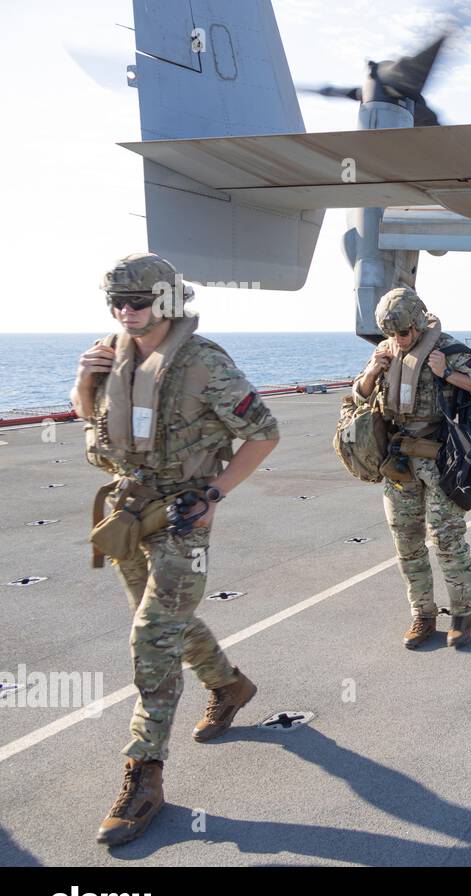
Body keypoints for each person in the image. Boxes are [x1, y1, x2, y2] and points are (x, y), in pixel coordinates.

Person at [72, 253, 280, 847]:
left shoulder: (205, 364)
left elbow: (263, 431)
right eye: (116, 302)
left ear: (166, 301)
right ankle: (229, 685)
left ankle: (144, 776)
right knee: (167, 621)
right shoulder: (109, 352)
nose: (125, 312)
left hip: (183, 517)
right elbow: (94, 423)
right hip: (128, 512)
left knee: (151, 635)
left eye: (137, 302)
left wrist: (215, 493)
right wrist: (85, 383)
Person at [353, 287, 471, 651]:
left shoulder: (446, 349)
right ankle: (423, 614)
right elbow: (359, 395)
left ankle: (462, 615)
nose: (398, 340)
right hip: (398, 462)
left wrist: (447, 372)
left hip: (439, 461)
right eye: (391, 334)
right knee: (407, 542)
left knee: (447, 541)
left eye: (402, 332)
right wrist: (371, 373)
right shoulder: (385, 351)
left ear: (418, 322)